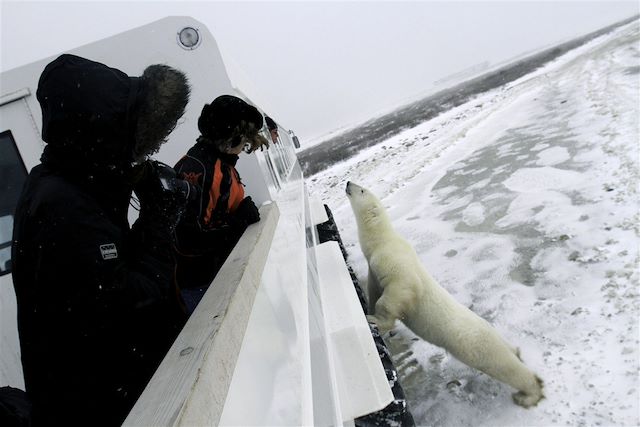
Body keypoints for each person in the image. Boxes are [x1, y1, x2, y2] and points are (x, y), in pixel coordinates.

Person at [11, 54, 192, 426]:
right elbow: (132, 300)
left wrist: (147, 205)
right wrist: (159, 219)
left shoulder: (76, 184)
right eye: (132, 133)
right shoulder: (62, 205)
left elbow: (118, 278)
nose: (139, 152)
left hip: (114, 395)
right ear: (100, 133)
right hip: (102, 407)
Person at [174, 95, 269, 313]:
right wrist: (239, 221)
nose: (244, 147)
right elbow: (189, 241)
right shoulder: (204, 171)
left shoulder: (213, 162)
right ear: (231, 139)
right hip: (203, 284)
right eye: (244, 142)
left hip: (215, 272)